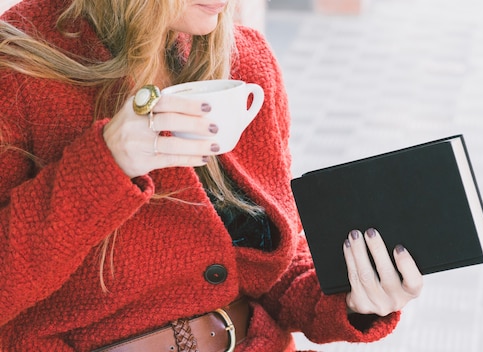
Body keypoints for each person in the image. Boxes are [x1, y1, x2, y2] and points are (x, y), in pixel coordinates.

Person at [0, 0, 424, 351]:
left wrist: (351, 296)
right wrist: (105, 165)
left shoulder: (247, 62)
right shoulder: (19, 57)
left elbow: (275, 267)